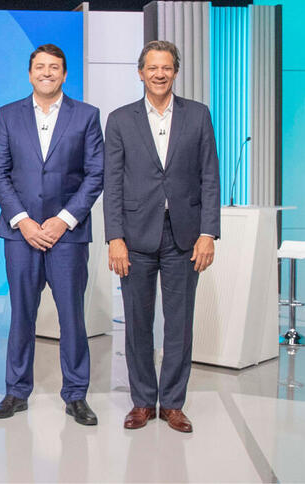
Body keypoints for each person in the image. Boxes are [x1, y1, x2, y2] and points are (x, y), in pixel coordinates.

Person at [104, 40, 220, 433]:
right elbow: (113, 183)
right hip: (134, 237)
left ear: (175, 72)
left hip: (185, 237)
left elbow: (209, 177)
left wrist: (208, 232)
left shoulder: (199, 115)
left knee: (179, 323)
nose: (158, 73)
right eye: (151, 67)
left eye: (166, 67)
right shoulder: (120, 120)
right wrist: (114, 237)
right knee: (137, 322)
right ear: (140, 73)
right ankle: (142, 402)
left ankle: (172, 402)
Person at [0, 44, 104, 425]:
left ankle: (75, 395)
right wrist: (22, 220)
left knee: (72, 317)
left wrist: (63, 219)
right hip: (20, 234)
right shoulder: (7, 115)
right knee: (22, 315)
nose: (47, 73)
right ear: (29, 73)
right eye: (40, 67)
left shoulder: (86, 116)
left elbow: (95, 174)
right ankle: (16, 392)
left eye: (54, 67)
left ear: (65, 74)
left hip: (67, 236)